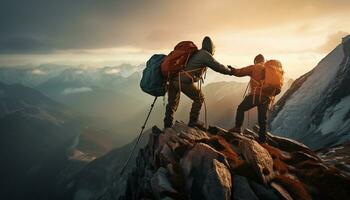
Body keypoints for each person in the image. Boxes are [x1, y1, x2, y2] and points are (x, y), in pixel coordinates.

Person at [164, 36, 233, 130]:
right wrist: (231, 71)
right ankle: (193, 122)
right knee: (199, 98)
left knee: (172, 104)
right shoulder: (205, 54)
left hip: (173, 79)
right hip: (183, 81)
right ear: (211, 48)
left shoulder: (196, 53)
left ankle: (167, 126)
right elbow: (218, 67)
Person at [229, 54, 270, 143]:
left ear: (255, 61)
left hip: (256, 95)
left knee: (241, 108)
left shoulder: (254, 67)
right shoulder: (268, 68)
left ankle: (237, 127)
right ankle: (262, 139)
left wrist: (232, 70)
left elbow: (240, 72)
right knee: (262, 119)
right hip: (267, 98)